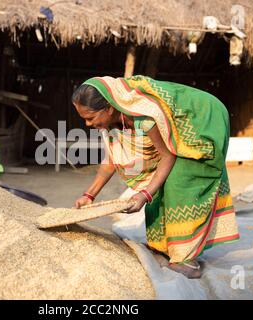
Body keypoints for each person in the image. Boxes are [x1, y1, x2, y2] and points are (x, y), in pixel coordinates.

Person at [72, 75, 239, 279]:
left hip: (201, 121)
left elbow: (167, 156)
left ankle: (187, 259)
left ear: (109, 107)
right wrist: (89, 195)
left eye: (90, 117)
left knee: (179, 181)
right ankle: (166, 247)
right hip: (177, 132)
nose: (88, 124)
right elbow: (111, 160)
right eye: (84, 119)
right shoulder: (111, 124)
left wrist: (144, 195)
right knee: (156, 186)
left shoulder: (142, 116)